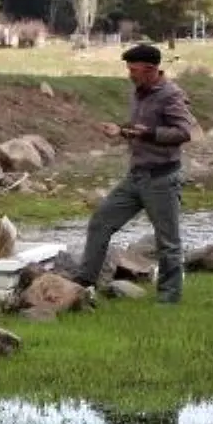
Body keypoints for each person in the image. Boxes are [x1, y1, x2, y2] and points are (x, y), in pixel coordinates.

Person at [74, 42, 197, 304]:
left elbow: (184, 132)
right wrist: (120, 131)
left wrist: (150, 133)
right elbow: (139, 129)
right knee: (100, 222)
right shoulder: (139, 92)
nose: (129, 74)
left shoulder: (171, 95)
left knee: (168, 243)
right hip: (136, 177)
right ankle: (84, 282)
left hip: (162, 178)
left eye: (134, 69)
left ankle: (168, 301)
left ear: (151, 69)